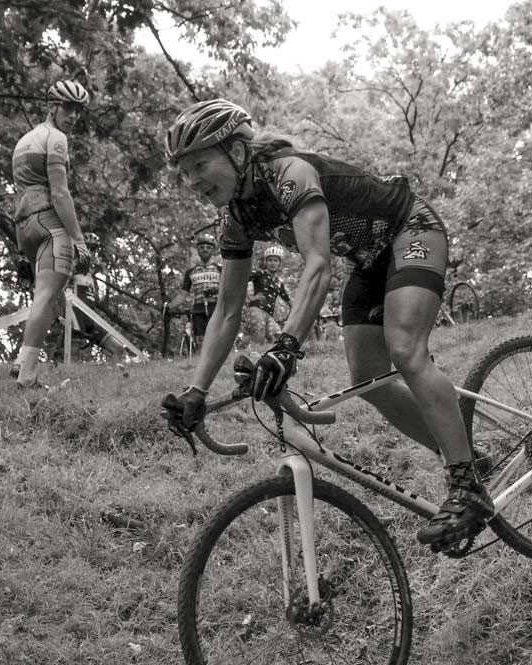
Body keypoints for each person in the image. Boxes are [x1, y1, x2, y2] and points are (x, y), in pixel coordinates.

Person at [159, 99, 494, 550]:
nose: (191, 180)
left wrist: (286, 347)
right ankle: (467, 460)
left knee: (405, 350)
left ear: (237, 152)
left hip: (410, 229)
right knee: (368, 378)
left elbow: (318, 266)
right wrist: (195, 390)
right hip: (369, 262)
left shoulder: (289, 173)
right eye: (183, 171)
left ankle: (467, 488)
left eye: (199, 163)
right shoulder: (236, 218)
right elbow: (227, 309)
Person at [9, 79, 93, 388]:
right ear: (52, 107)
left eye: (78, 112)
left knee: (49, 298)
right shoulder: (56, 138)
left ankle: (20, 361)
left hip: (25, 227)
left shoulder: (24, 140)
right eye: (68, 109)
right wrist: (79, 240)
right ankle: (27, 377)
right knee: (46, 296)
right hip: (50, 225)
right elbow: (60, 193)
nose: (73, 117)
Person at [67, 232, 130, 361]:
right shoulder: (72, 265)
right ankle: (68, 379)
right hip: (75, 315)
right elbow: (60, 288)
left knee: (118, 348)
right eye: (88, 248)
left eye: (94, 249)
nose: (91, 252)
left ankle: (115, 380)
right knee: (72, 356)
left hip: (90, 316)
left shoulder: (89, 272)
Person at [173, 233, 222, 350]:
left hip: (217, 309)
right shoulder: (190, 272)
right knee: (200, 343)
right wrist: (168, 306)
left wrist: (215, 290)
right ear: (198, 249)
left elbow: (229, 289)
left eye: (208, 247)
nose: (205, 249)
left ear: (213, 250)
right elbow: (182, 295)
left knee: (217, 341)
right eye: (202, 247)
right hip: (198, 310)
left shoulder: (220, 269)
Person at [246, 244, 291, 342]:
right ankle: (253, 356)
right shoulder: (259, 274)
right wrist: (250, 297)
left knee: (278, 339)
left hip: (269, 315)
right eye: (270, 260)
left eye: (275, 260)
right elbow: (241, 281)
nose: (272, 263)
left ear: (279, 263)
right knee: (259, 339)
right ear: (266, 262)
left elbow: (289, 301)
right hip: (255, 310)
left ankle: (269, 357)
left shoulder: (279, 283)